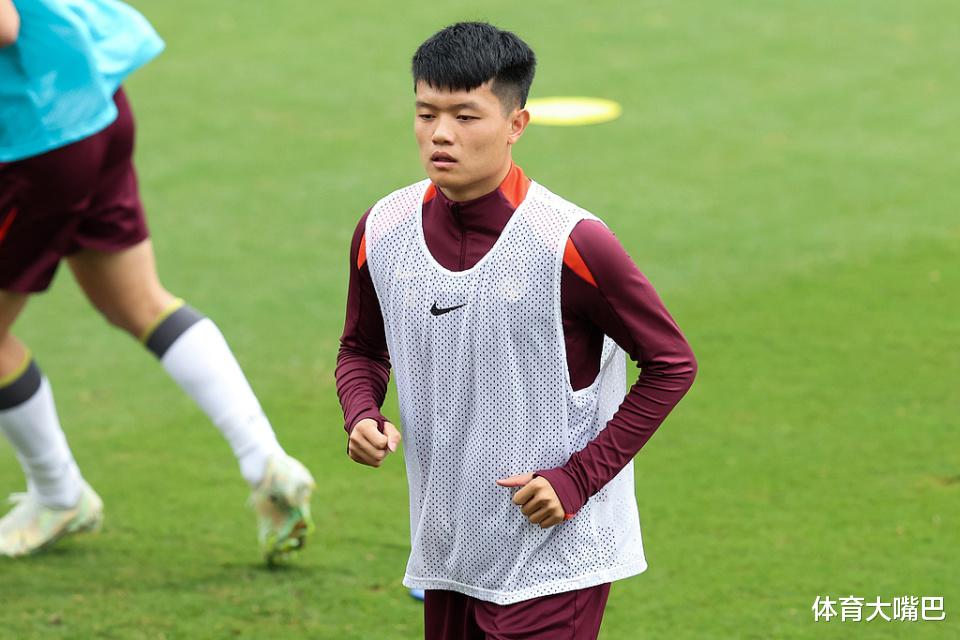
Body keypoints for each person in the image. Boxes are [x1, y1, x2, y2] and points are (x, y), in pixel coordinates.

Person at [336, 21, 698, 639]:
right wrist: (361, 412)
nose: (440, 134)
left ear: (516, 124)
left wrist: (578, 479)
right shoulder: (383, 229)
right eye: (426, 113)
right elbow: (362, 348)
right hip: (450, 552)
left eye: (465, 116)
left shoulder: (571, 243)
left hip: (557, 557)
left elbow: (672, 363)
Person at [0, 0, 315, 563]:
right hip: (91, 100)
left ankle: (58, 494)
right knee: (138, 300)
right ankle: (265, 459)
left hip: (32, 135)